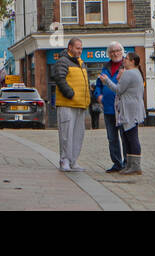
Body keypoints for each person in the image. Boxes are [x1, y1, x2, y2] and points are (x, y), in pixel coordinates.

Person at [102, 50, 146, 176]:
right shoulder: (136, 73)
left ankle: (135, 166)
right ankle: (131, 165)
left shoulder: (129, 73)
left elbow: (118, 90)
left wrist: (107, 81)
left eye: (126, 58)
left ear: (132, 62)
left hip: (129, 110)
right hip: (135, 108)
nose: (124, 60)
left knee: (131, 138)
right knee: (129, 137)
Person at [53, 38, 90, 171]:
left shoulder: (81, 63)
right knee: (66, 134)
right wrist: (70, 93)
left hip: (80, 104)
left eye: (81, 48)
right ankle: (64, 160)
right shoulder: (62, 61)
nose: (80, 51)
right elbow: (59, 78)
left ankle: (74, 161)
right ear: (70, 47)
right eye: (77, 48)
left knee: (78, 135)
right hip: (67, 104)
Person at [93, 43, 125, 172]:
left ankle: (127, 163)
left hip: (122, 109)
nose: (115, 53)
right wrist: (98, 95)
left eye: (117, 50)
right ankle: (117, 163)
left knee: (125, 137)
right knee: (112, 138)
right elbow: (98, 85)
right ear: (108, 54)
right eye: (112, 51)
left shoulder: (126, 66)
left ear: (122, 52)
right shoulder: (105, 67)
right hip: (108, 108)